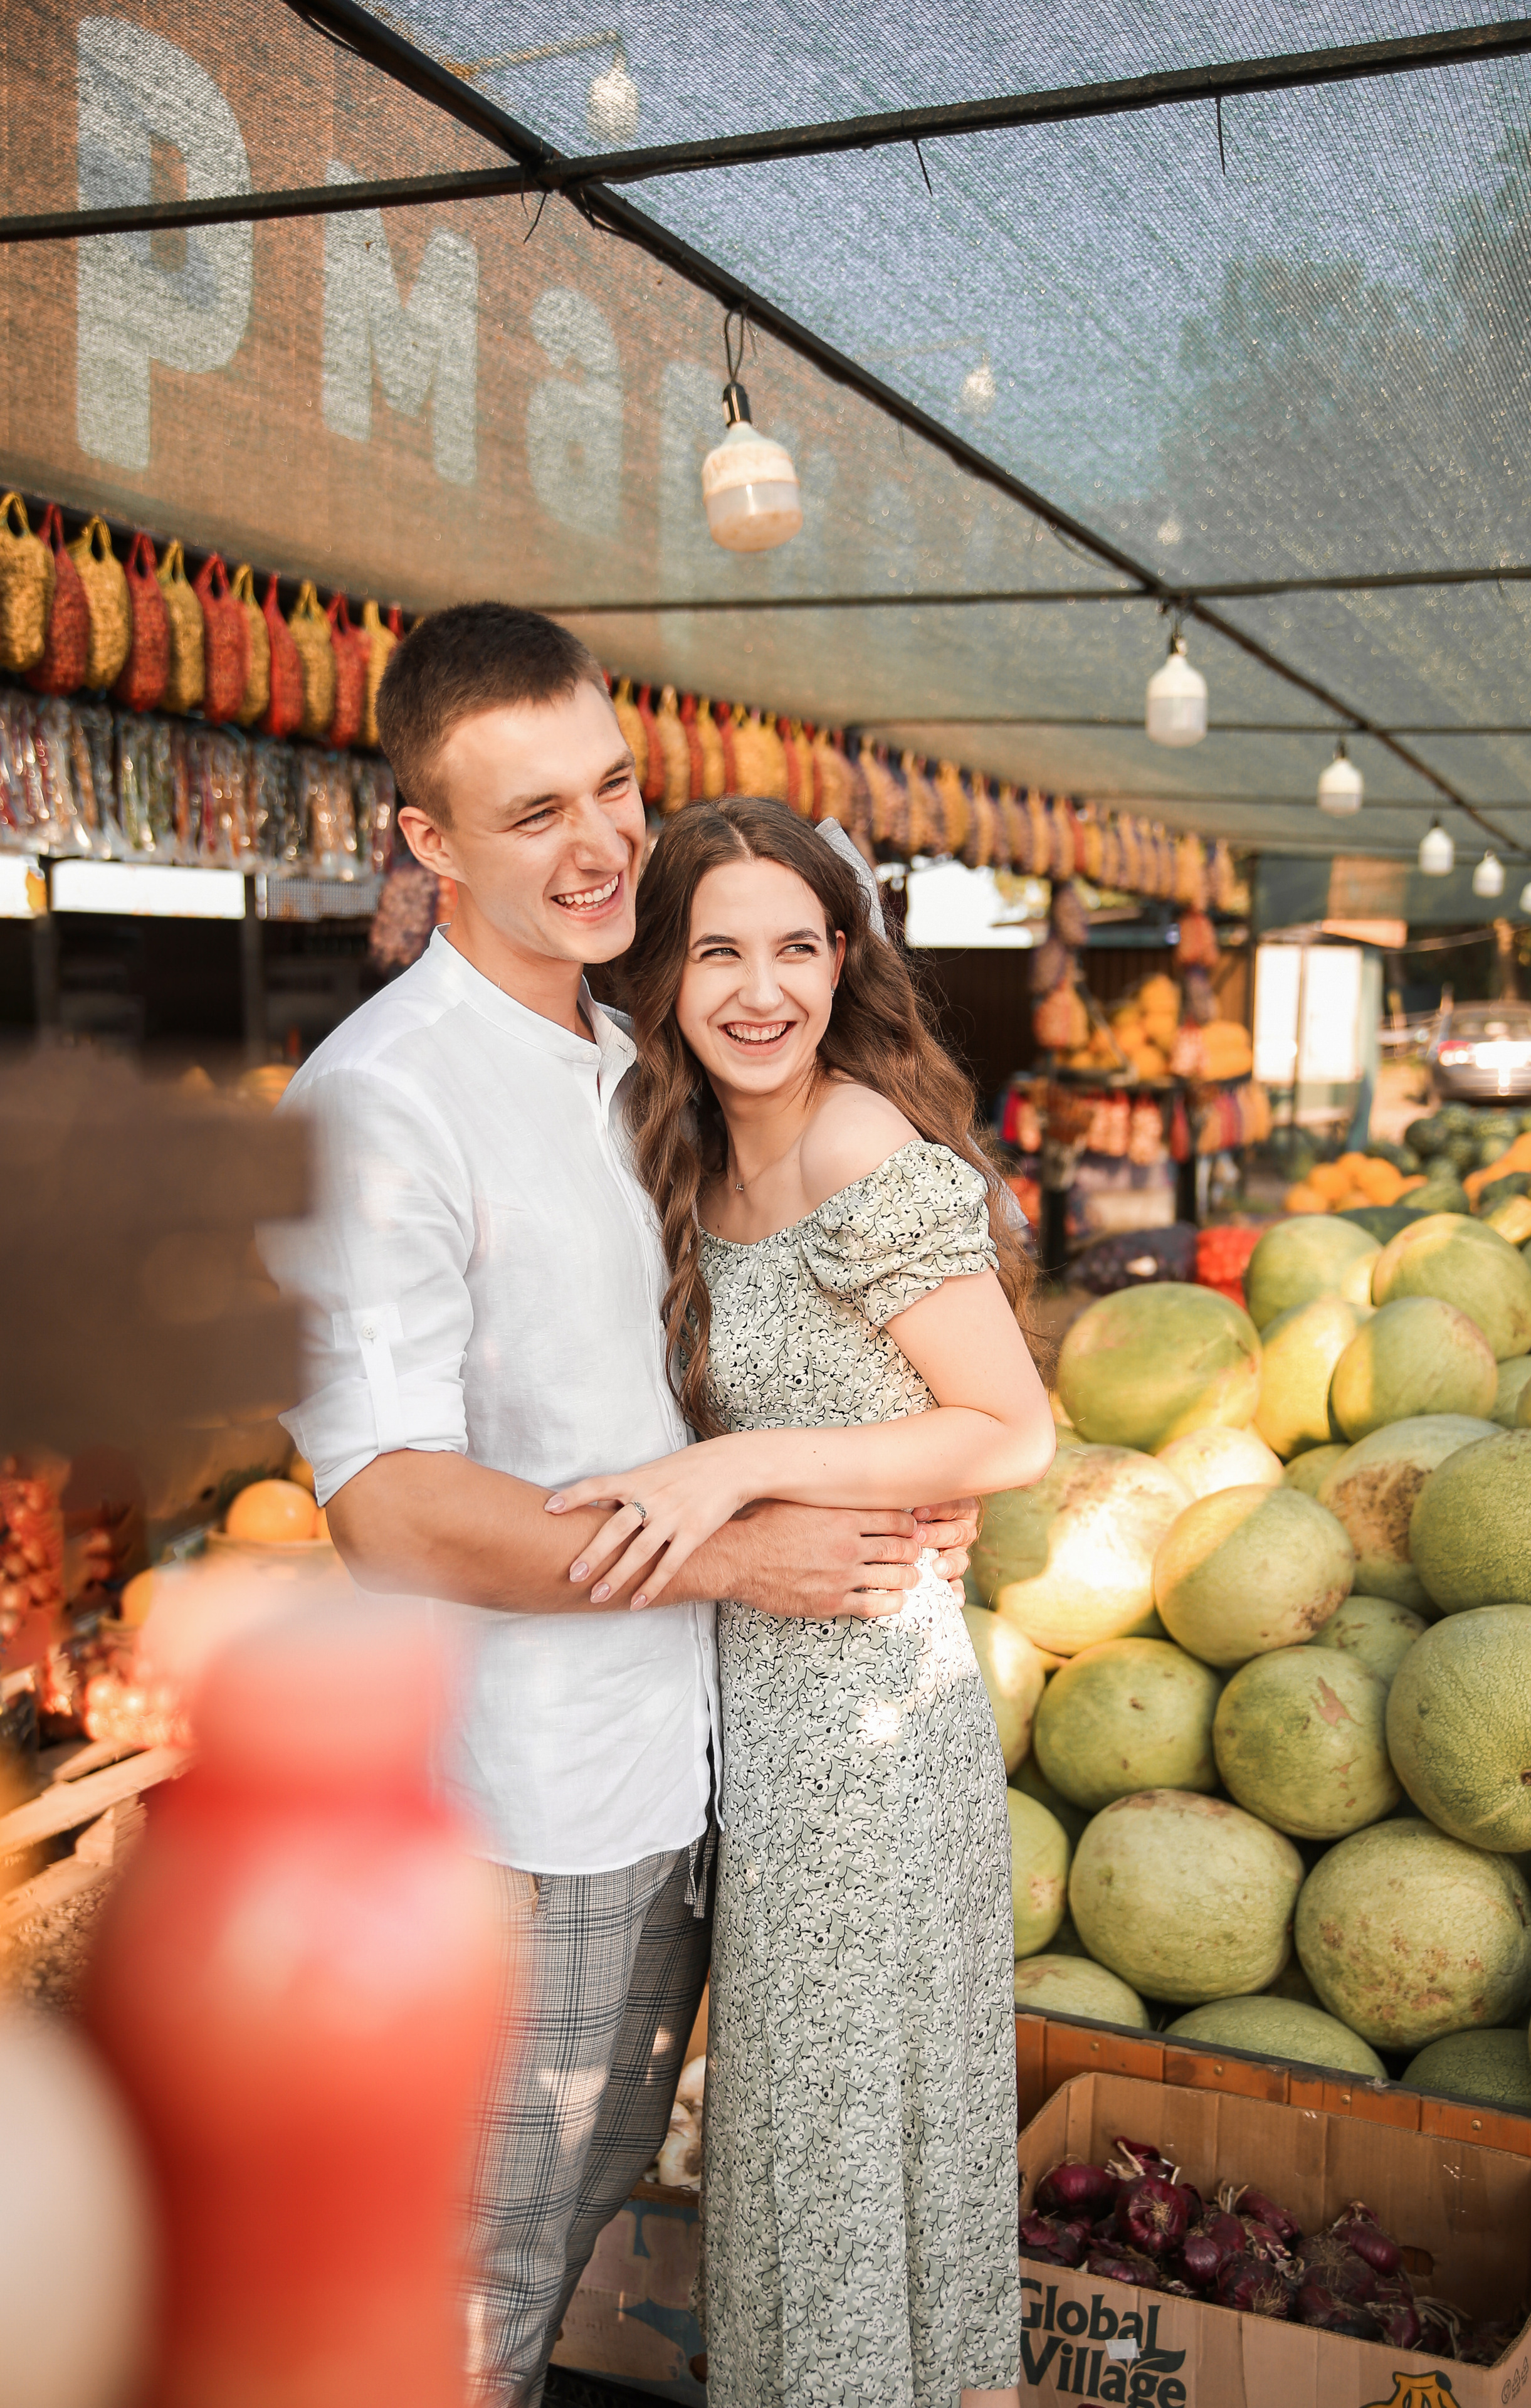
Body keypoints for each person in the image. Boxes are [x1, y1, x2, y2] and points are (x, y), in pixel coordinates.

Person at [256, 606, 982, 2408]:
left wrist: (877, 1469)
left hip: (679, 1775)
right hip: (519, 1809)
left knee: (552, 2250)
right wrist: (753, 1550)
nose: (597, 852)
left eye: (615, 791)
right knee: (462, 2300)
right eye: (530, 818)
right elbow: (393, 1508)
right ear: (427, 844)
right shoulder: (384, 1104)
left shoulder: (634, 1050)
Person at [550, 797, 1056, 2408]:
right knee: (827, 2156)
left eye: (794, 947)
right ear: (664, 974)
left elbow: (1013, 1427)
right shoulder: (678, 1144)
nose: (758, 990)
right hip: (757, 1716)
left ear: (843, 960)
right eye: (716, 953)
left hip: (864, 1736)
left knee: (852, 2155)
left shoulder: (853, 1140)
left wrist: (739, 1468)